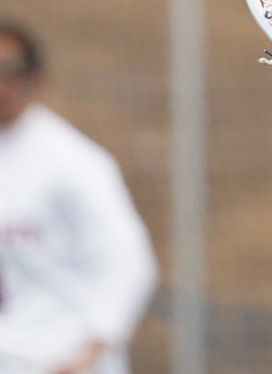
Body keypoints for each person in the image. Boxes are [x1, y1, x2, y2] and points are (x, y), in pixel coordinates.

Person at [0, 20, 156, 374]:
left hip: (59, 358)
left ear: (36, 77)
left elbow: (129, 262)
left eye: (8, 71)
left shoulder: (74, 162)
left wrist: (91, 352)